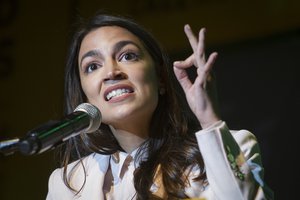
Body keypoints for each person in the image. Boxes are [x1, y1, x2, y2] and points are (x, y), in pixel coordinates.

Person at [46, 11, 273, 200]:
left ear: (161, 79)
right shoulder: (67, 184)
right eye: (92, 66)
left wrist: (209, 120)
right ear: (85, 97)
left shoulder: (231, 148)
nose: (111, 72)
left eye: (127, 56)